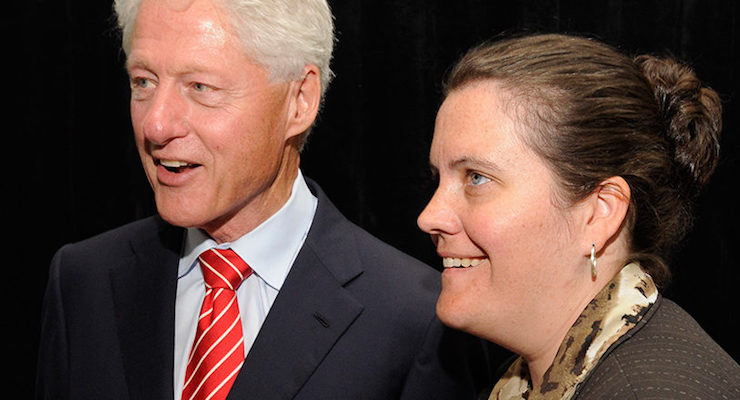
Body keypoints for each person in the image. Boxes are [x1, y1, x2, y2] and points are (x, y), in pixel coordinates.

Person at [35, 0, 490, 399]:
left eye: (200, 87)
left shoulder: (415, 319)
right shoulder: (82, 282)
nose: (155, 125)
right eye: (144, 82)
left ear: (299, 100)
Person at [417, 33, 740, 399]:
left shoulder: (651, 390)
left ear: (599, 212)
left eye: (476, 178)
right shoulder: (528, 379)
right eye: (437, 178)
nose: (429, 217)